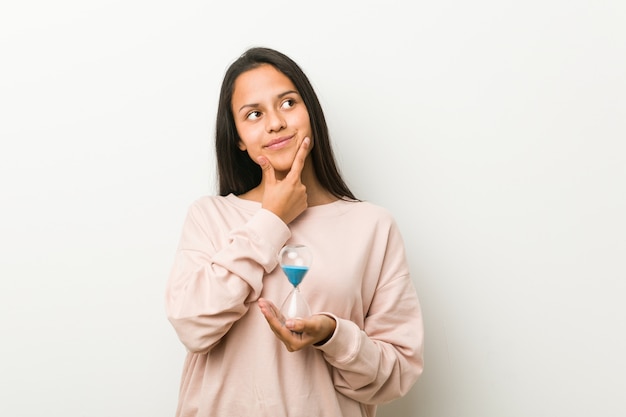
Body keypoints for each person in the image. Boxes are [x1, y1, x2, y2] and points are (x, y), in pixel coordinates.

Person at [165, 46, 424, 417]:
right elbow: (193, 327)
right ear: (238, 137)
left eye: (288, 103)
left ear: (311, 114)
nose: (275, 123)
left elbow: (397, 374)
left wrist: (334, 336)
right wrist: (272, 219)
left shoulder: (372, 226)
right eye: (254, 114)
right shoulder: (210, 216)